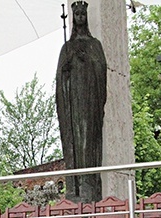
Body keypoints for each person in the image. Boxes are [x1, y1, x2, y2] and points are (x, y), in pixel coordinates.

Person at [55, 0, 107, 203]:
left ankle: (90, 187)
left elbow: (102, 70)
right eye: (76, 15)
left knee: (89, 144)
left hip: (90, 102)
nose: (79, 18)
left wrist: (88, 60)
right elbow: (59, 79)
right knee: (75, 143)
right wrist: (66, 68)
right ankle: (75, 188)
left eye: (82, 15)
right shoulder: (66, 48)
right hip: (73, 106)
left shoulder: (95, 45)